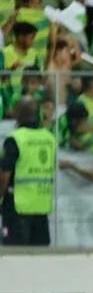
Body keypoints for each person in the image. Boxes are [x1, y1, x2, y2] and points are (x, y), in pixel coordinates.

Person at [0, 97, 56, 246]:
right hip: (42, 206)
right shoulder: (49, 138)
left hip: (17, 208)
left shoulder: (15, 139)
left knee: (15, 257)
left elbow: (4, 175)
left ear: (18, 114)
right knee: (39, 259)